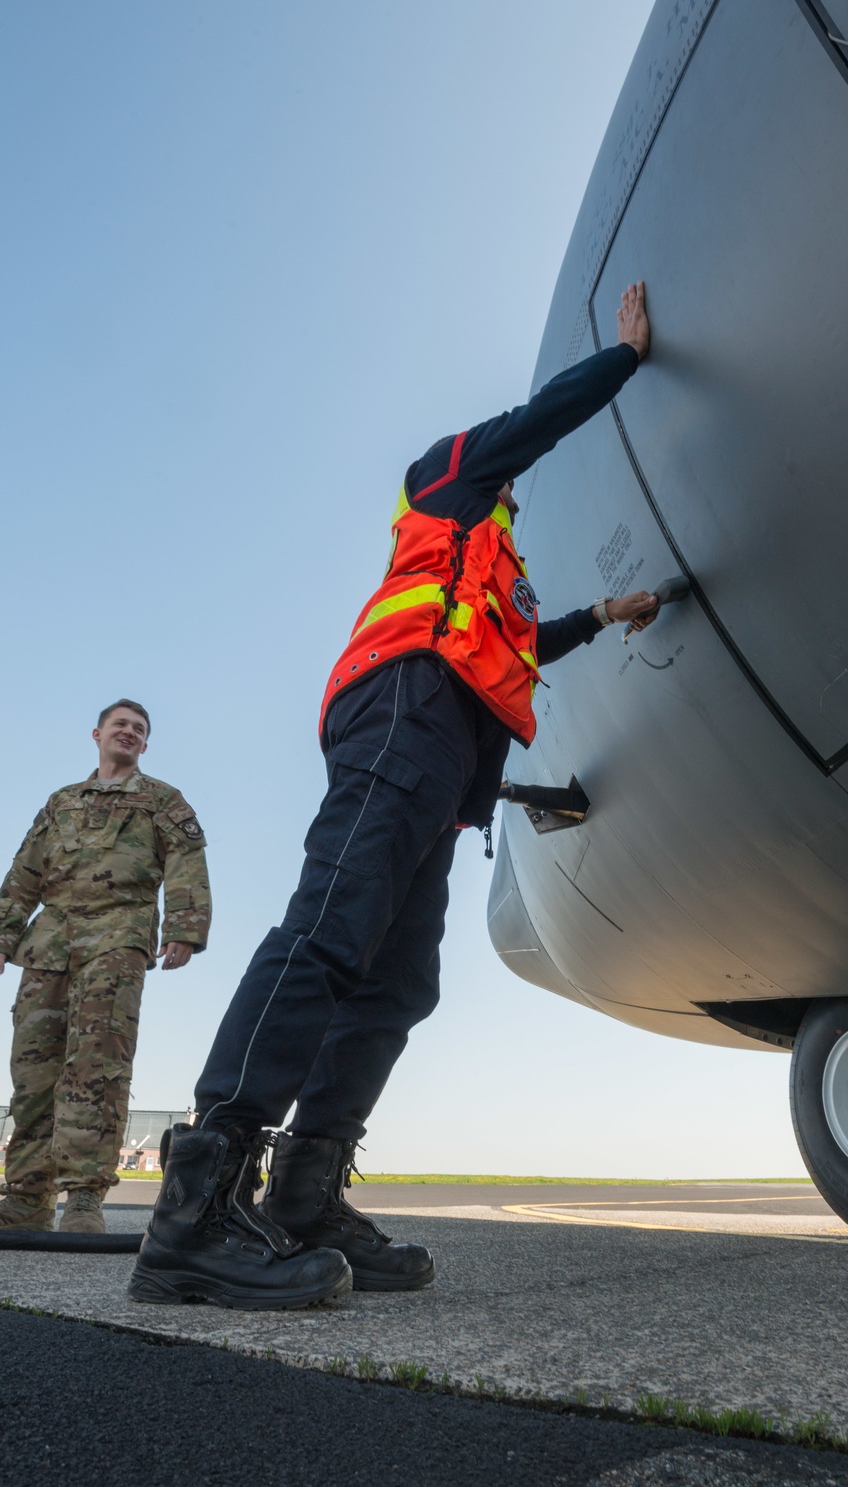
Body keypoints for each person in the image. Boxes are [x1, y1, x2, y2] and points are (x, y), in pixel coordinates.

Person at [129, 282, 657, 1310]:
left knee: (400, 977)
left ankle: (302, 1196)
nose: (510, 488)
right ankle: (193, 1213)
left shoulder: (497, 569)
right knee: (332, 928)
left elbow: (516, 645)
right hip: (402, 705)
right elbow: (533, 423)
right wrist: (623, 359)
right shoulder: (446, 479)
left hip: (454, 747)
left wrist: (601, 613)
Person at [0, 700, 211, 1235]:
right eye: (121, 724)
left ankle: (85, 1200)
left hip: (119, 936)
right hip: (49, 942)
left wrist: (185, 929)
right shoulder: (61, 802)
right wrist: (3, 936)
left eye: (139, 729)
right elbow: (25, 872)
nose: (129, 732)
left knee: (96, 1065)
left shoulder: (161, 799)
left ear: (145, 745)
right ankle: (25, 1200)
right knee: (33, 1069)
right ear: (97, 734)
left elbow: (187, 861)